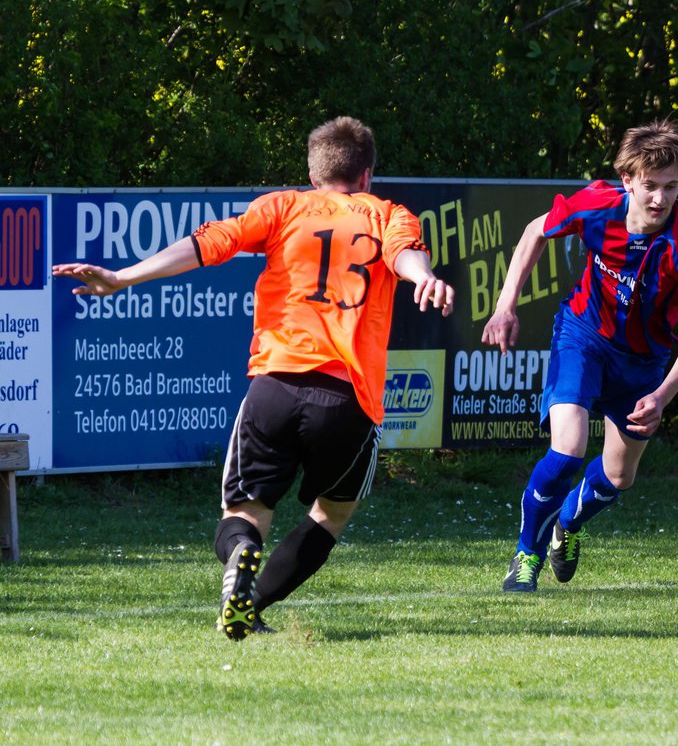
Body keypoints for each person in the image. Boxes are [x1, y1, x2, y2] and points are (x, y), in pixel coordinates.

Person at [53, 117, 455, 640]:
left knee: (244, 510)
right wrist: (423, 277)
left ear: (313, 175)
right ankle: (254, 602)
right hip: (347, 398)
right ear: (367, 175)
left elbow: (208, 243)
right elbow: (405, 253)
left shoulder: (281, 206)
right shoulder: (388, 214)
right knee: (331, 515)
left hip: (275, 387)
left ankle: (241, 556)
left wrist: (123, 277)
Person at [483, 118, 678, 593]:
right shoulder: (598, 206)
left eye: (671, 187)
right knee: (567, 450)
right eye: (649, 186)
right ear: (627, 180)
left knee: (618, 476)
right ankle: (526, 554)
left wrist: (663, 394)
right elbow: (534, 232)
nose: (660, 199)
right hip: (584, 336)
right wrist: (505, 305)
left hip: (643, 362)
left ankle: (567, 524)